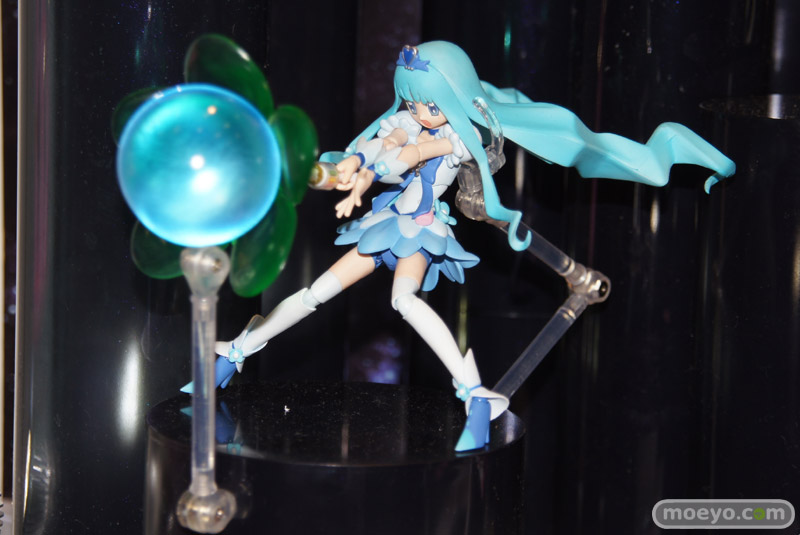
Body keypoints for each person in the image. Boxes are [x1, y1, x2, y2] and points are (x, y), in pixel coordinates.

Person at [192, 41, 735, 452]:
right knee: (315, 293)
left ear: (451, 99)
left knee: (405, 302)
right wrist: (345, 167)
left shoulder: (453, 137)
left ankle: (473, 393)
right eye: (412, 102)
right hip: (386, 224)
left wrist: (376, 163)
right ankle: (238, 352)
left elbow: (409, 153)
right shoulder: (409, 119)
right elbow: (385, 142)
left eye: (428, 103)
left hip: (420, 230)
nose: (417, 111)